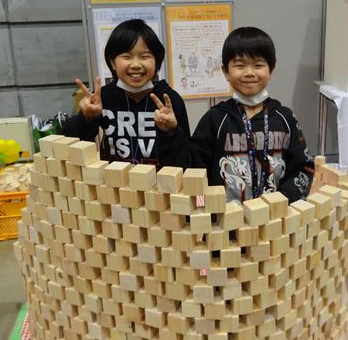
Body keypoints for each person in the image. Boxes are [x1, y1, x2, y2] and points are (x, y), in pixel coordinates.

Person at [153, 26, 314, 203]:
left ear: (271, 69)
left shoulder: (285, 119)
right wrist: (170, 133)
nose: (249, 73)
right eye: (240, 65)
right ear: (225, 71)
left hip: (274, 216)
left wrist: (282, 202)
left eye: (258, 65)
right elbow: (193, 168)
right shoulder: (215, 119)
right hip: (225, 217)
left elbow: (304, 169)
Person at [62, 19, 190, 166]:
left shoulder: (170, 101)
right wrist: (86, 118)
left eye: (145, 56)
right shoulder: (102, 98)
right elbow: (66, 146)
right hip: (112, 179)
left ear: (157, 61)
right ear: (112, 62)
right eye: (127, 57)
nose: (136, 65)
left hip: (160, 180)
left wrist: (172, 132)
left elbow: (188, 159)